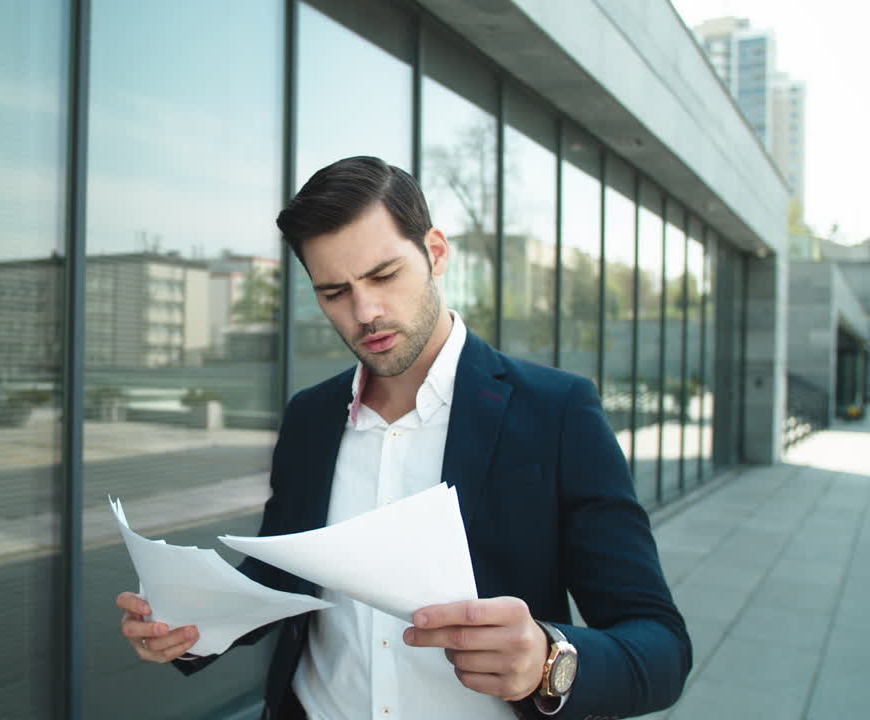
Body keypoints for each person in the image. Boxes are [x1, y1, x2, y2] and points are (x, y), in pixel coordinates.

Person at [116, 156, 691, 719]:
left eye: (384, 275)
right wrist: (187, 625)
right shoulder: (311, 417)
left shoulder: (557, 413)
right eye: (334, 292)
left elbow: (661, 648)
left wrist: (549, 659)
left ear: (435, 253)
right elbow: (278, 582)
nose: (365, 311)